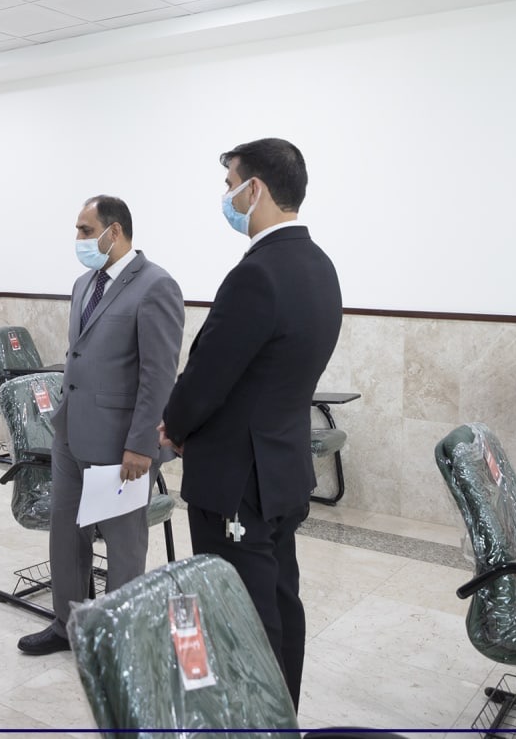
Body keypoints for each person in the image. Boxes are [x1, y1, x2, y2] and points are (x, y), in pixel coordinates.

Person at [158, 137, 342, 710]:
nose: (227, 197)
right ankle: (281, 715)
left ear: (254, 189)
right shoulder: (319, 266)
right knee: (280, 604)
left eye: (229, 184)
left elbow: (209, 373)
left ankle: (252, 721)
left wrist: (175, 425)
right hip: (282, 471)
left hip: (236, 481)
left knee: (239, 618)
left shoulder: (258, 273)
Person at [17, 195, 185, 656]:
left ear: (115, 231)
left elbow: (158, 375)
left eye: (86, 230)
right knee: (65, 534)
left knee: (123, 545)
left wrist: (141, 445)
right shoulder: (83, 284)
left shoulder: (156, 286)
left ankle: (118, 639)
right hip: (71, 434)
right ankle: (66, 625)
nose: (79, 239)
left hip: (121, 445)